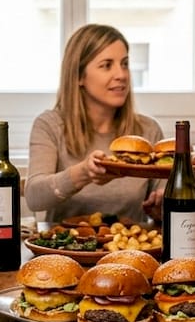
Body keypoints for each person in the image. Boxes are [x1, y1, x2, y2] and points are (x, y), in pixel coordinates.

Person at [26, 24, 164, 223]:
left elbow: (166, 207)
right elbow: (34, 197)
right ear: (79, 76)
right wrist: (83, 173)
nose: (121, 75)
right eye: (107, 65)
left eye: (124, 64)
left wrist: (162, 208)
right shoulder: (49, 126)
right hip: (66, 250)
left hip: (131, 251)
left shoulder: (148, 131)